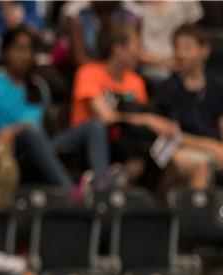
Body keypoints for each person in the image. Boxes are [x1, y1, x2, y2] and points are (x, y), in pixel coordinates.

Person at [0, 27, 107, 192]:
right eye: (19, 49)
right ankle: (70, 192)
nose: (25, 55)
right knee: (30, 132)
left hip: (41, 148)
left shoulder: (39, 87)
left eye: (29, 50)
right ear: (5, 52)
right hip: (8, 152)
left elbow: (43, 129)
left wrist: (18, 129)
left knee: (94, 126)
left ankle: (100, 189)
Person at [71, 27, 177, 187]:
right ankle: (102, 186)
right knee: (99, 126)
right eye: (136, 47)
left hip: (125, 143)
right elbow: (105, 117)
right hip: (90, 139)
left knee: (159, 139)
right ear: (119, 49)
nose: (139, 54)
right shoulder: (88, 72)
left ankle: (128, 184)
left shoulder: (136, 81)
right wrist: (147, 120)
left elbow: (141, 122)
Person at [157, 24, 223, 189]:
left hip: (216, 146)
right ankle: (198, 213)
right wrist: (213, 147)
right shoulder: (168, 87)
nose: (180, 54)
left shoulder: (217, 85)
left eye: (187, 48)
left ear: (204, 50)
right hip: (183, 148)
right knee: (201, 166)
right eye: (177, 48)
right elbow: (173, 135)